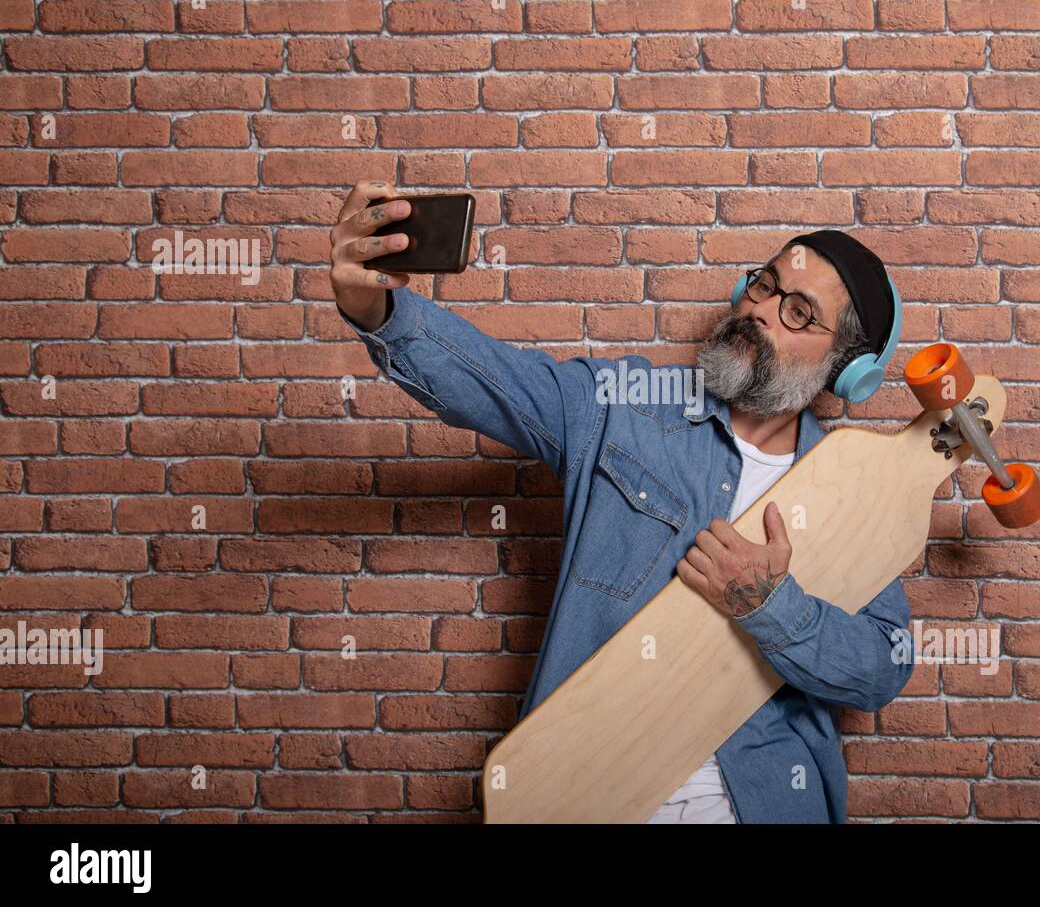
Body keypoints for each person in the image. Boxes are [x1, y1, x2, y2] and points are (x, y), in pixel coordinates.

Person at [328, 181, 915, 823]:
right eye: (764, 285)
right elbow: (493, 379)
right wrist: (380, 313)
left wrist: (773, 608)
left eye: (799, 312)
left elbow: (881, 670)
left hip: (762, 802)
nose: (763, 310)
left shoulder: (850, 493)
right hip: (586, 796)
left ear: (845, 370)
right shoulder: (622, 404)